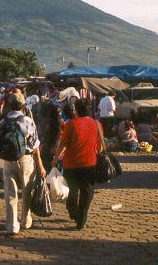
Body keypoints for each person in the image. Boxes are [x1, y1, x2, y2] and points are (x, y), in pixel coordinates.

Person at [0, 92, 46, 236]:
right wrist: (40, 165)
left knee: (10, 193)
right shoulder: (28, 121)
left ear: (8, 105)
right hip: (25, 159)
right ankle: (25, 220)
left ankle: (12, 226)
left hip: (8, 161)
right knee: (27, 191)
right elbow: (35, 144)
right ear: (23, 105)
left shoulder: (3, 121)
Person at [52, 98, 103, 230]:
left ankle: (75, 213)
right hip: (90, 163)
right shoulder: (97, 124)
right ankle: (82, 215)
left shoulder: (71, 124)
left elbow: (63, 144)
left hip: (71, 165)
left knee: (72, 192)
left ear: (77, 110)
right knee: (87, 191)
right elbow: (100, 148)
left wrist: (56, 158)